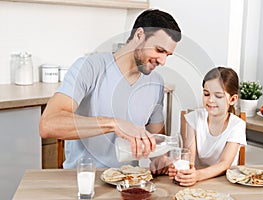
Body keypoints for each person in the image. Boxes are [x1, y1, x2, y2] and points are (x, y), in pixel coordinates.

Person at [39, 9, 181, 169]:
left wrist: (159, 159)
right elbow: (48, 124)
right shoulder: (90, 67)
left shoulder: (156, 83)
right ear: (139, 35)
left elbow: (157, 139)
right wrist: (113, 124)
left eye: (167, 55)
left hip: (128, 182)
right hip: (83, 180)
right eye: (159, 50)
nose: (163, 61)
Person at [168, 67, 247, 186]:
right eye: (206, 94)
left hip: (225, 183)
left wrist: (198, 175)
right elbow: (189, 154)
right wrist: (182, 170)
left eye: (218, 96)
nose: (210, 100)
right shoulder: (193, 119)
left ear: (232, 99)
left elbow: (225, 163)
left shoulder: (237, 125)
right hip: (198, 181)